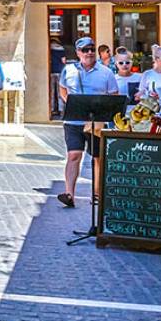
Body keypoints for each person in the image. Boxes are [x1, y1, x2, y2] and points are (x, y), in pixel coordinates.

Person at [57, 36, 119, 208]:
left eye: (92, 49)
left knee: (97, 158)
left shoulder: (106, 72)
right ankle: (69, 194)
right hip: (73, 121)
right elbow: (62, 89)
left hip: (96, 122)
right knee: (73, 155)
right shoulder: (68, 70)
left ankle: (97, 194)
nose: (89, 52)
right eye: (85, 50)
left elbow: (113, 95)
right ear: (78, 52)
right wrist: (72, 105)